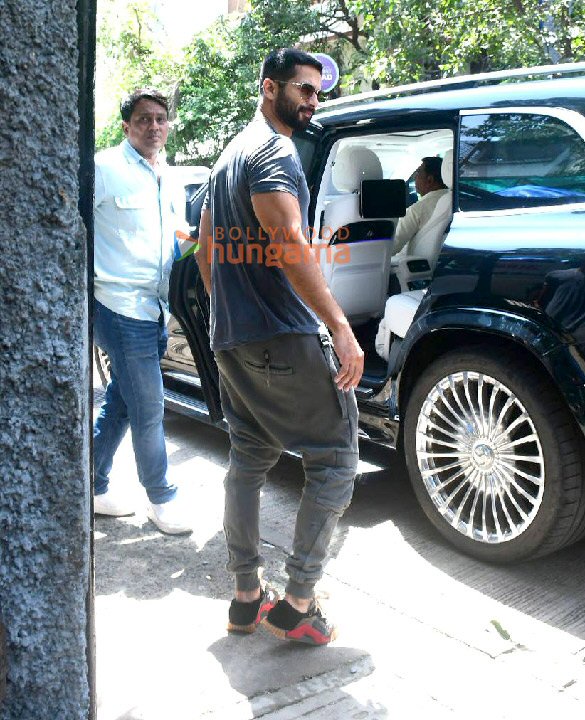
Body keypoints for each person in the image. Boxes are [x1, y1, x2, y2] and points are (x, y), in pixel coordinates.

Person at [196, 48, 364, 645]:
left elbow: (206, 250)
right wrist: (341, 327)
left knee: (247, 459)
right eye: (302, 89)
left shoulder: (227, 157)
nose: (312, 101)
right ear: (269, 88)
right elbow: (290, 246)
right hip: (281, 340)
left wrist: (230, 318)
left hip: (235, 342)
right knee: (337, 458)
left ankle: (246, 598)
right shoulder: (272, 151)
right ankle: (296, 602)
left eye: (318, 92)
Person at [93, 88, 192, 535]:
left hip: (155, 306)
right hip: (117, 305)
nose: (154, 126)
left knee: (122, 400)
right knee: (150, 407)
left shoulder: (167, 174)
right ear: (126, 125)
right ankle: (161, 498)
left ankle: (90, 485)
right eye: (144, 119)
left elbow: (174, 233)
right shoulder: (102, 169)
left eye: (160, 119)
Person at [392, 156, 449, 256]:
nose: (415, 177)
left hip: (408, 266)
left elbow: (392, 246)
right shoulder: (452, 202)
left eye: (418, 173)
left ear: (430, 179)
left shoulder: (418, 210)